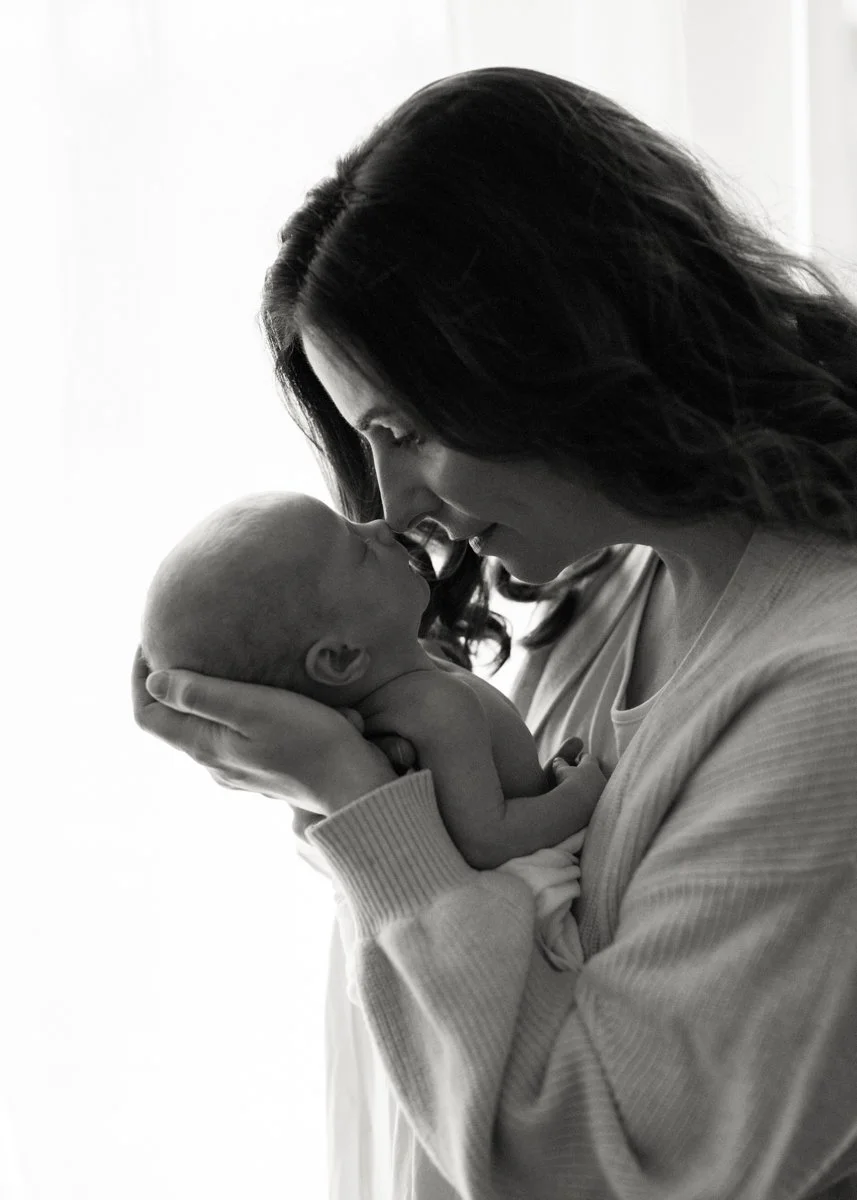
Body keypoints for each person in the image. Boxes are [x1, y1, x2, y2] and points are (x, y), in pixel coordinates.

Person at [133, 65, 857, 1200]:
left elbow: (607, 1166)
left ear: (547, 354)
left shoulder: (824, 696)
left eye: (404, 430)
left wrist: (359, 808)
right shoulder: (602, 601)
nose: (390, 507)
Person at [140, 488, 605, 976]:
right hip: (520, 921)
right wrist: (581, 794)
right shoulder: (432, 707)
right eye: (358, 548)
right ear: (340, 658)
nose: (380, 527)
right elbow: (490, 840)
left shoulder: (410, 686)